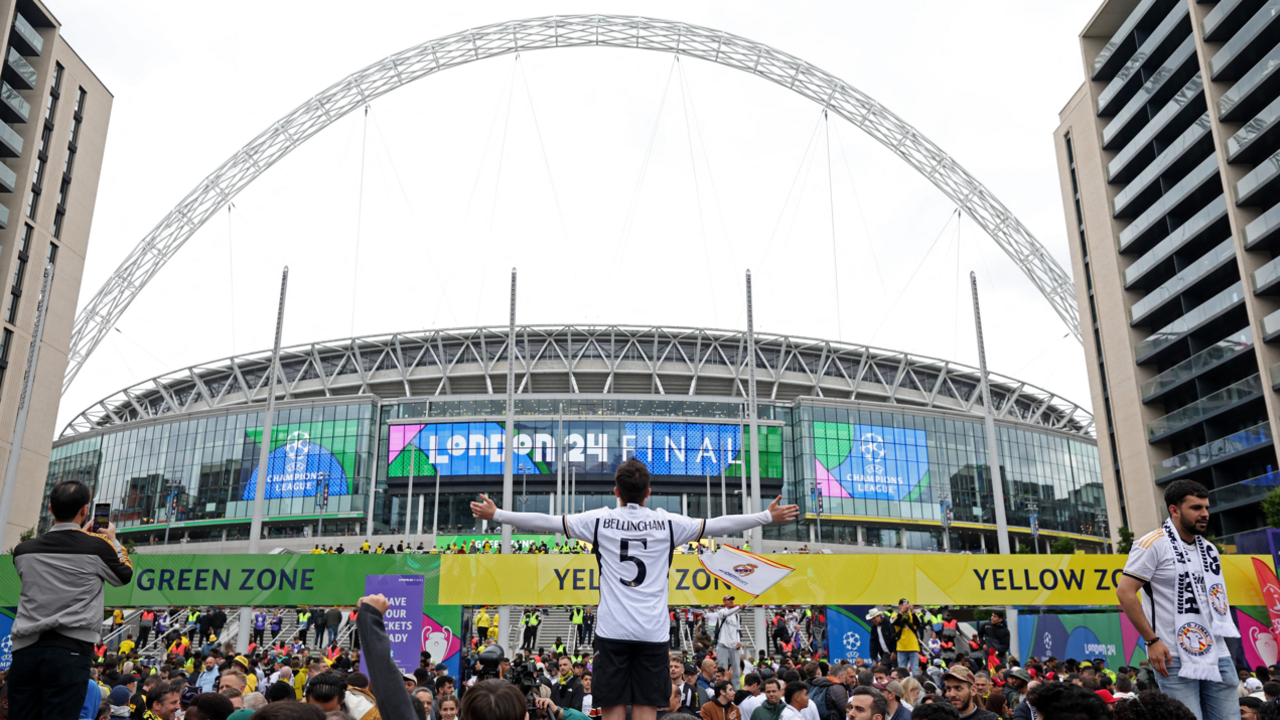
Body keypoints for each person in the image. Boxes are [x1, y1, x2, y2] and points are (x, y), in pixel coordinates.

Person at [472, 457, 797, 720]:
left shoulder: (599, 521)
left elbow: (546, 521)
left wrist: (497, 513)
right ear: (649, 492)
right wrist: (766, 516)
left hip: (612, 630)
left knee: (611, 708)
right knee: (645, 709)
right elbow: (719, 524)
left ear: (616, 491)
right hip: (652, 633)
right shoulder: (668, 523)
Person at [10, 480, 134, 720]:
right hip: (70, 652)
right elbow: (124, 575)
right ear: (85, 510)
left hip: (25, 651)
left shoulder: (23, 551)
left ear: (50, 508)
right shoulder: (98, 547)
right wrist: (112, 540)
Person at [1117, 479, 1238, 720]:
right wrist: (1152, 641)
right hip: (1172, 655)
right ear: (1174, 510)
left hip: (1217, 653)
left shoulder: (1210, 549)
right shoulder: (1151, 544)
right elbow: (1125, 592)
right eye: (1196, 508)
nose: (1205, 514)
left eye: (1206, 507)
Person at [890, 601, 926, 673]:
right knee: (902, 670)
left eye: (906, 605)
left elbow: (918, 623)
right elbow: (893, 622)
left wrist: (912, 611)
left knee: (915, 668)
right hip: (901, 646)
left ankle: (916, 683)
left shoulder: (913, 615)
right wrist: (901, 612)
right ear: (899, 606)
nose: (904, 606)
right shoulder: (895, 615)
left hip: (913, 646)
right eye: (902, 605)